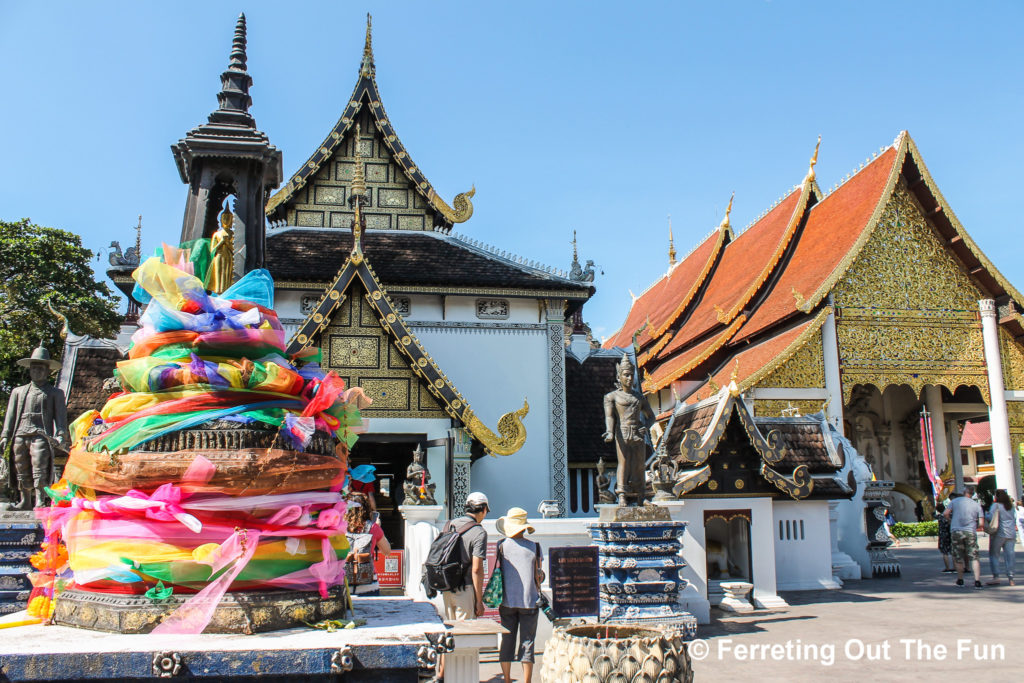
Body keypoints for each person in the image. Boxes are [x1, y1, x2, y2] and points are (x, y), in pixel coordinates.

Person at [1, 344, 69, 510]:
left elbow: (60, 420)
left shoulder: (55, 393)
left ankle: (39, 499)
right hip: (20, 433)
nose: (36, 371)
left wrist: (60, 436)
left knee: (39, 466)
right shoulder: (18, 391)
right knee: (21, 467)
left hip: (41, 434)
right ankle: (25, 500)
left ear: (47, 371)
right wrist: (5, 435)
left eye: (40, 368)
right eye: (33, 368)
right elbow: (10, 416)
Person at [495, 507, 544, 683]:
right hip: (529, 601)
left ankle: (507, 679)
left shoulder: (501, 546)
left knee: (507, 641)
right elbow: (539, 576)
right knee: (528, 642)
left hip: (507, 601)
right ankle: (527, 680)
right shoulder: (535, 547)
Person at [441, 491, 489, 620]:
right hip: (465, 590)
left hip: (446, 588)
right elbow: (477, 569)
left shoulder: (449, 525)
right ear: (484, 510)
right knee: (465, 635)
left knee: (452, 633)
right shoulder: (479, 532)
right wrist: (479, 601)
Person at [344, 492, 391, 596]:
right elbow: (387, 551)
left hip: (343, 583)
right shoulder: (373, 527)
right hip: (368, 583)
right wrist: (378, 527)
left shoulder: (339, 526)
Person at [945, 485, 985, 588]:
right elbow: (981, 523)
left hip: (956, 531)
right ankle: (977, 580)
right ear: (972, 494)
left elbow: (946, 513)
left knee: (958, 556)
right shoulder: (976, 505)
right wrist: (974, 526)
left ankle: (960, 579)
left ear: (964, 492)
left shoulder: (955, 501)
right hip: (970, 531)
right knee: (974, 556)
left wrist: (951, 521)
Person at [985, 489, 1016, 586]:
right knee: (1010, 555)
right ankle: (1011, 578)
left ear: (996, 497)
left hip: (999, 533)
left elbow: (990, 517)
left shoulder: (996, 505)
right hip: (1011, 533)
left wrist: (985, 514)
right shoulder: (1011, 506)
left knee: (994, 554)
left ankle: (996, 576)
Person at [935, 502, 954, 572]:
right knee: (953, 551)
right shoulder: (950, 515)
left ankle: (947, 567)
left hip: (943, 535)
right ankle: (955, 567)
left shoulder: (939, 517)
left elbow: (933, 515)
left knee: (944, 552)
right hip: (950, 534)